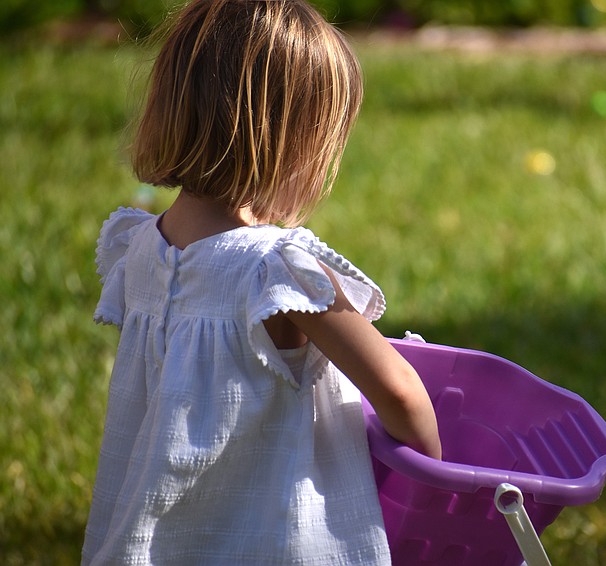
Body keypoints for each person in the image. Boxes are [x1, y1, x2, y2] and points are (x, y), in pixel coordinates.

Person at [81, 0, 441, 563]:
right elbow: (397, 389)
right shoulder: (275, 270)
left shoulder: (141, 249)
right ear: (288, 140)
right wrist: (433, 483)